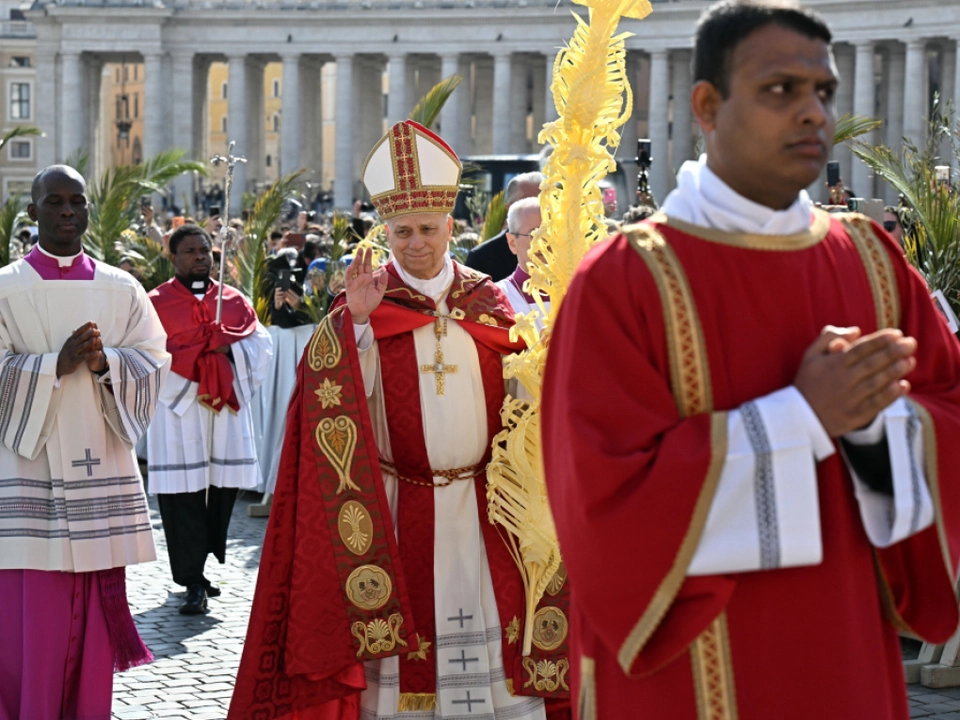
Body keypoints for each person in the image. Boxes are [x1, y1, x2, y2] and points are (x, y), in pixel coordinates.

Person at [542, 2, 960, 719]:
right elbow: (599, 500)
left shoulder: (872, 260)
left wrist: (875, 426)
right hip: (688, 669)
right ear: (706, 104)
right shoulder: (625, 279)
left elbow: (948, 410)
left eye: (823, 92)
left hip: (846, 652)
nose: (812, 114)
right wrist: (800, 418)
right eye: (780, 90)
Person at [231, 120, 569, 720]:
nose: (417, 243)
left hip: (486, 508)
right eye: (404, 231)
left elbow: (527, 397)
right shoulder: (365, 302)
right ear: (385, 231)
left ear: (451, 228)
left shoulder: (487, 301)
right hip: (394, 504)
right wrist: (356, 327)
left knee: (499, 662)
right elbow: (327, 406)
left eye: (429, 229)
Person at [0, 165, 170, 718]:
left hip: (100, 468)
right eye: (54, 201)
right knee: (33, 618)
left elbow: (154, 359)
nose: (67, 210)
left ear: (90, 211)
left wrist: (105, 364)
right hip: (30, 474)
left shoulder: (121, 289)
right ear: (33, 212)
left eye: (77, 200)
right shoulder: (6, 288)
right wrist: (55, 365)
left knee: (91, 625)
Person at [146, 224, 273, 614]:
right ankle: (192, 579)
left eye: (206, 250)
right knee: (181, 496)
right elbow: (146, 355)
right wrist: (191, 373)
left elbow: (261, 346)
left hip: (223, 409)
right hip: (178, 410)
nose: (201, 257)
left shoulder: (232, 301)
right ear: (173, 257)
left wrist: (225, 351)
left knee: (220, 490)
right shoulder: (155, 303)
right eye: (191, 251)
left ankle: (205, 557)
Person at [466, 171, 544, 281]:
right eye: (527, 203)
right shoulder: (482, 258)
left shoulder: (567, 249)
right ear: (509, 208)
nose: (536, 208)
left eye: (542, 201)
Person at [497, 196, 550, 332]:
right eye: (534, 234)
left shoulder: (578, 292)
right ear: (512, 242)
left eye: (550, 233)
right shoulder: (496, 298)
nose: (545, 242)